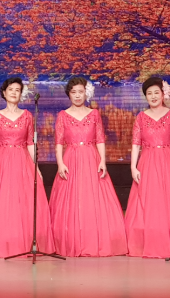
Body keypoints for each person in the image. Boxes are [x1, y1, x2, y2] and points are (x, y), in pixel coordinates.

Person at [0, 77, 54, 257]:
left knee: (23, 201)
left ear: (21, 94)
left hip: (23, 161)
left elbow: (30, 143)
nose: (14, 93)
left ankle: (23, 242)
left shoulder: (27, 116)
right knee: (2, 201)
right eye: (11, 89)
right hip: (3, 160)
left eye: (17, 90)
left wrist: (36, 166)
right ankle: (1, 241)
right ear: (4, 93)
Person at [49, 77, 127, 257]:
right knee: (72, 200)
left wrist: (102, 160)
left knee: (93, 199)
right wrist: (60, 163)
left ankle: (94, 240)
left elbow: (100, 139)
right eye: (74, 92)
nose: (77, 96)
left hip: (92, 158)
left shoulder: (94, 114)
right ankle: (72, 240)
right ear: (69, 94)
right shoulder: (63, 115)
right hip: (71, 159)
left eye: (80, 92)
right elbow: (59, 142)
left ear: (86, 93)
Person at [124, 77, 170, 258]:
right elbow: (136, 144)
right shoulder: (141, 118)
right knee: (151, 202)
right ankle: (153, 241)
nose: (153, 96)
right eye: (149, 94)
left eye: (156, 92)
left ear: (163, 94)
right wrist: (133, 167)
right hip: (148, 162)